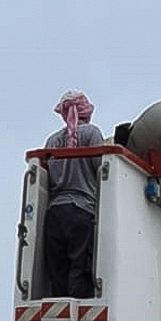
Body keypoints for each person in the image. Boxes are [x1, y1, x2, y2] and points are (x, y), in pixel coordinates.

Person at [42, 91, 103, 299]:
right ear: (86, 111)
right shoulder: (92, 134)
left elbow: (46, 177)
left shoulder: (51, 141)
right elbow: (102, 172)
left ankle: (59, 311)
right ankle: (75, 314)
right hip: (81, 211)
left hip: (54, 214)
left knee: (58, 270)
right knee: (80, 267)